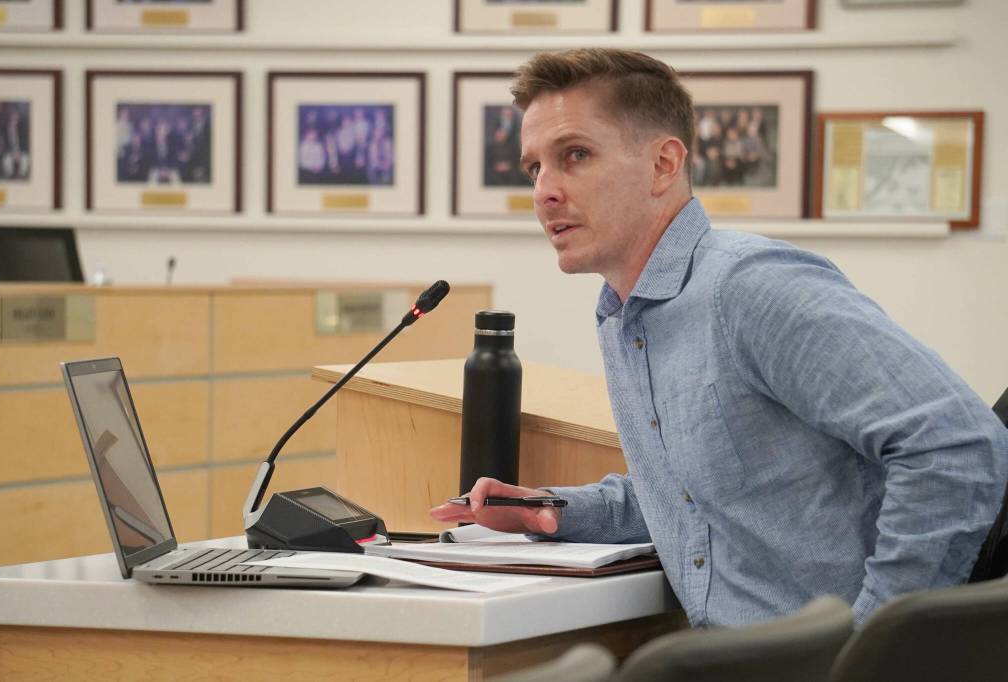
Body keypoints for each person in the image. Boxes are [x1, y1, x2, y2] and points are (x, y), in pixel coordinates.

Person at [430, 48, 1008, 628]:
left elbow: (956, 445)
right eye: (535, 168)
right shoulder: (622, 313)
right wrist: (553, 510)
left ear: (663, 164)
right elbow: (700, 493)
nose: (545, 192)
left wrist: (874, 646)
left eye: (575, 155)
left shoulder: (751, 287)